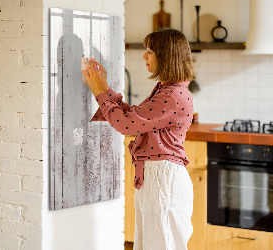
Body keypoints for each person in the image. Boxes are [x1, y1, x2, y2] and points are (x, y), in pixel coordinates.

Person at [82, 28, 195, 250]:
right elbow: (134, 118)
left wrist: (98, 92)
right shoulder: (168, 90)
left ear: (166, 55)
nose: (144, 56)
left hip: (163, 179)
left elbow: (126, 125)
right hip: (157, 178)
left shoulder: (172, 95)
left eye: (150, 51)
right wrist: (104, 87)